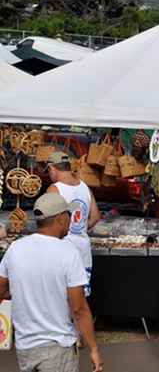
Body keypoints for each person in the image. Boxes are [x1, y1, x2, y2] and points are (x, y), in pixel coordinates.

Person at [0, 193, 103, 372]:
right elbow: (79, 309)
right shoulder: (68, 252)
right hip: (58, 346)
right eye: (69, 216)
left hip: (25, 346)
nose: (71, 220)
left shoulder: (16, 248)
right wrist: (93, 348)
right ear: (60, 219)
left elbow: (1, 288)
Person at [46, 151, 101, 298]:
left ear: (52, 168)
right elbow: (95, 217)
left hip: (61, 252)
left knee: (59, 300)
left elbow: (48, 222)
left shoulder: (54, 189)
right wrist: (80, 229)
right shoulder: (84, 187)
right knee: (79, 301)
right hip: (83, 252)